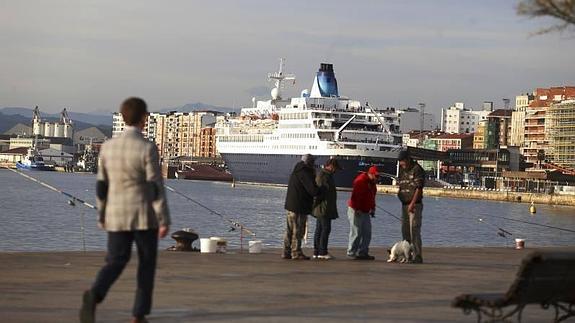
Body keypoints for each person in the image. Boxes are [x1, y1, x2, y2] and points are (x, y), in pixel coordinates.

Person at [80, 97, 171, 323]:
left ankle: (95, 294)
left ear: (122, 117)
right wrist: (164, 219)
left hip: (116, 215)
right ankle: (138, 315)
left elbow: (102, 185)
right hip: (143, 216)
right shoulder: (147, 148)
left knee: (116, 260)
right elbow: (155, 186)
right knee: (146, 264)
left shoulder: (108, 147)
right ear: (143, 119)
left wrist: (102, 214)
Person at [283, 154, 321, 260]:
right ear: (309, 163)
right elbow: (312, 190)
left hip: (291, 205)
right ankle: (296, 252)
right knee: (298, 230)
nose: (314, 164)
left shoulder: (296, 171)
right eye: (313, 162)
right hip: (300, 206)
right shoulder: (305, 173)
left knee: (289, 230)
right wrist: (321, 189)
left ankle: (286, 251)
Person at [397, 150, 425, 264]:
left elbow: (419, 188)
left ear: (408, 159)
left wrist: (412, 204)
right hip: (404, 204)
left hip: (414, 205)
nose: (401, 164)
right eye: (400, 162)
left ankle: (417, 256)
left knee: (414, 230)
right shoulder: (402, 170)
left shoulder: (417, 169)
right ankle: (407, 255)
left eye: (402, 162)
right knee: (405, 231)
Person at [347, 165, 378, 260]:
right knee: (356, 231)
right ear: (370, 174)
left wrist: (373, 209)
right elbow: (356, 197)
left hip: (366, 211)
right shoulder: (360, 181)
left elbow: (372, 197)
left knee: (367, 232)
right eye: (376, 176)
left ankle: (363, 252)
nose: (377, 178)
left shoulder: (373, 184)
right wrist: (358, 209)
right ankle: (351, 252)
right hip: (355, 209)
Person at [312, 158, 341, 260]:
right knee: (325, 229)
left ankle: (317, 251)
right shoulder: (324, 176)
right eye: (336, 168)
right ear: (331, 166)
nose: (336, 171)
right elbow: (319, 191)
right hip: (323, 207)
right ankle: (322, 252)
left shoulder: (326, 175)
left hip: (323, 207)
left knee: (320, 229)